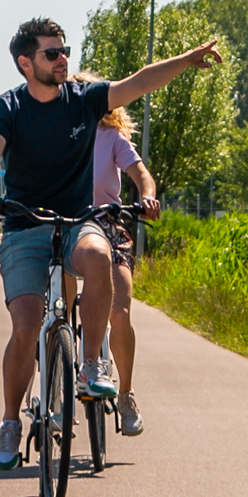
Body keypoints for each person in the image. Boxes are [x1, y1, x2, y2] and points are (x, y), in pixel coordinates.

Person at [0, 17, 221, 469]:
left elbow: (138, 82)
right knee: (26, 327)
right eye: (52, 53)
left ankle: (91, 367)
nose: (63, 59)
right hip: (26, 227)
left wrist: (186, 60)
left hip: (77, 221)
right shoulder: (7, 107)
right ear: (26, 64)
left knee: (100, 253)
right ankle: (10, 420)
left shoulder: (83, 100)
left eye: (64, 50)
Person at [80, 83, 160, 438]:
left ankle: (125, 394)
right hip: (67, 224)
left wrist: (147, 196)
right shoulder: (58, 134)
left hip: (108, 224)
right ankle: (62, 372)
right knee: (59, 307)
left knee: (120, 311)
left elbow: (141, 174)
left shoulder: (110, 138)